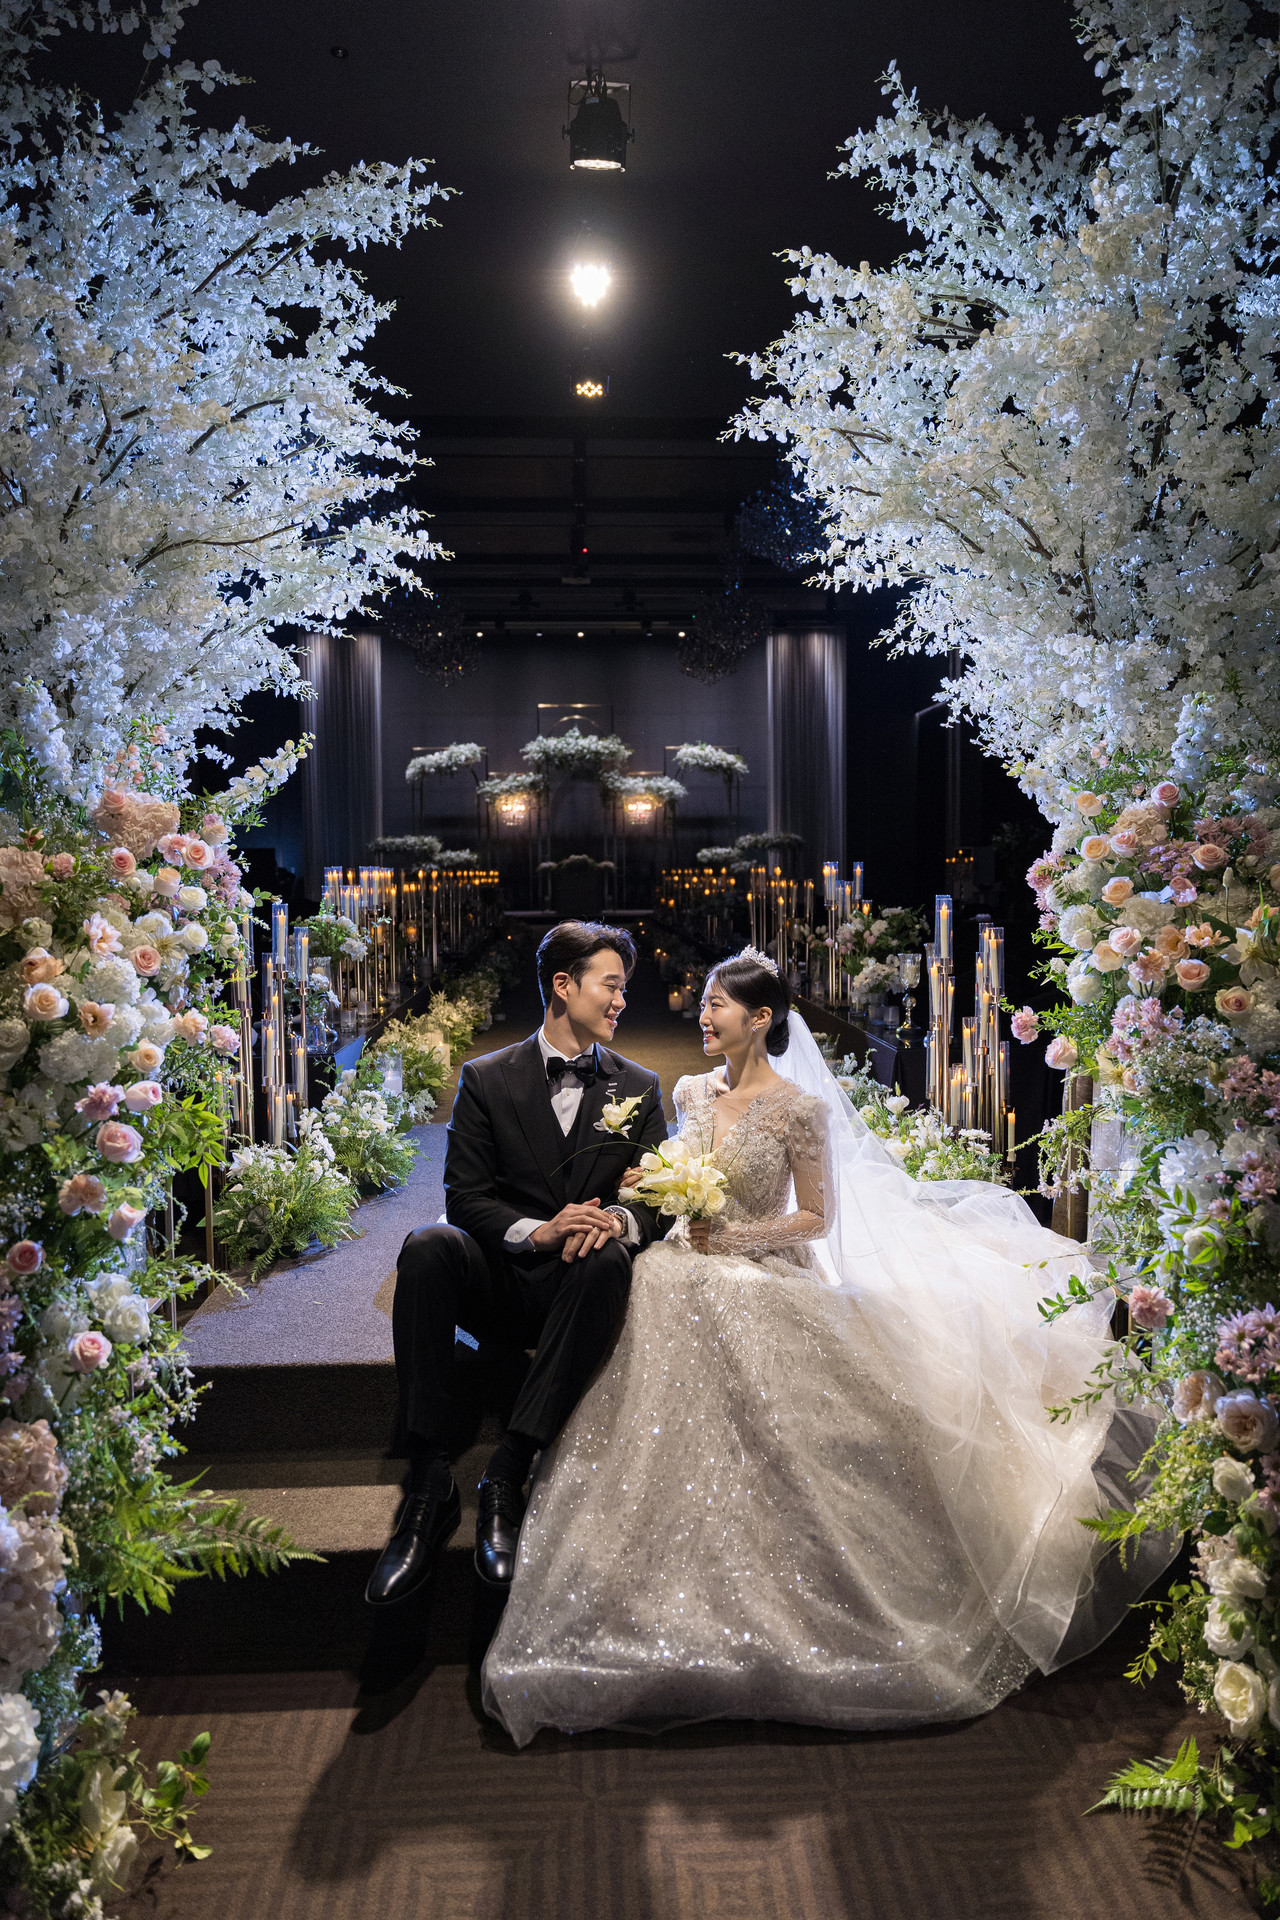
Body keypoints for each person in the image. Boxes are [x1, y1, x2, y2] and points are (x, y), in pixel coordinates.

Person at [481, 947, 1175, 1745]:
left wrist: (734, 1238)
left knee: (735, 1309)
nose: (702, 1016)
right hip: (685, 1260)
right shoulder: (690, 1090)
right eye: (703, 1004)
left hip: (765, 1263)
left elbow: (816, 1218)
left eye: (716, 1005)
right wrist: (658, 1192)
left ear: (760, 1018)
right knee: (661, 1292)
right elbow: (675, 1176)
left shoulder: (799, 1110)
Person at [366, 920, 669, 1608]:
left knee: (610, 1257)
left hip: (581, 1290)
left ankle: (508, 1470)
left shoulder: (640, 1086)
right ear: (563, 985)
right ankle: (428, 1480)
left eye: (624, 988)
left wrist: (617, 1220)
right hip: (504, 1281)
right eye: (611, 986)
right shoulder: (486, 1078)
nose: (621, 1001)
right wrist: (539, 1232)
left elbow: (659, 1200)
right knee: (427, 1245)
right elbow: (465, 1198)